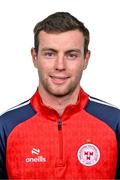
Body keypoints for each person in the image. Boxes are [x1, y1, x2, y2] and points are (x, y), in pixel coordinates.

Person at [0, 12, 120, 180]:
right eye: (50, 54)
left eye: (71, 55)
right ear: (35, 57)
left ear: (86, 59)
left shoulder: (114, 123)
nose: (60, 65)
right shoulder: (6, 126)